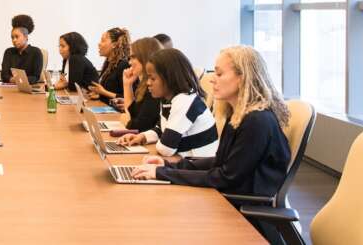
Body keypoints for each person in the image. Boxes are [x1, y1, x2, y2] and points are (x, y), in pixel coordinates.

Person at [130, 45, 291, 201]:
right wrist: (167, 166)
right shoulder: (239, 115)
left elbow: (225, 177)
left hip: (242, 212)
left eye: (219, 74)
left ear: (242, 78)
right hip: (227, 199)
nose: (212, 79)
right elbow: (220, 163)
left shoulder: (256, 122)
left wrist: (161, 173)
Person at [117, 48, 218, 159]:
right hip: (184, 162)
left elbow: (166, 148)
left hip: (199, 168)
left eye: (153, 78)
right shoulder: (168, 100)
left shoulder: (184, 101)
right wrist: (142, 137)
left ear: (170, 78)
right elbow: (161, 129)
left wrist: (161, 142)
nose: (148, 83)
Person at [121, 37, 163, 132]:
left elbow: (139, 127)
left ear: (145, 57)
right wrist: (127, 85)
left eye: (133, 57)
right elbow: (133, 114)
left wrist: (127, 121)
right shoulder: (143, 83)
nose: (130, 62)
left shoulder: (156, 86)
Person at [87, 27, 130, 106]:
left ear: (114, 45)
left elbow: (127, 98)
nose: (99, 44)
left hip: (117, 114)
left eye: (103, 40)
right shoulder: (108, 63)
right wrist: (99, 94)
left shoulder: (123, 65)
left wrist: (103, 92)